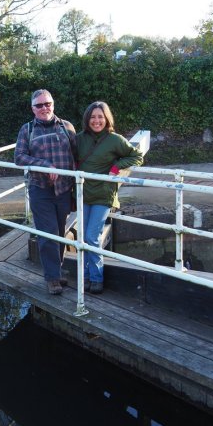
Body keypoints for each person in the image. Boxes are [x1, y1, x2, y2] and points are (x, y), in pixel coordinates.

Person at [75, 101, 143, 294]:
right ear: (87, 119)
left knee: (91, 236)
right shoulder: (79, 139)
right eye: (93, 117)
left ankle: (96, 278)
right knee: (83, 238)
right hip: (83, 194)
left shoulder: (115, 139)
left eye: (100, 117)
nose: (96, 121)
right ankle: (86, 276)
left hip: (104, 195)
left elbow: (136, 156)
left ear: (107, 119)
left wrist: (116, 167)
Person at [14, 89, 77, 295]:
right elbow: (19, 157)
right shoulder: (28, 129)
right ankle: (51, 278)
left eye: (47, 104)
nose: (44, 108)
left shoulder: (66, 127)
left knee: (59, 233)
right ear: (33, 109)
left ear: (53, 104)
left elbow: (77, 155)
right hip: (40, 190)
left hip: (64, 190)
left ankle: (56, 272)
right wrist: (42, 165)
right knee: (48, 234)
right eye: (39, 105)